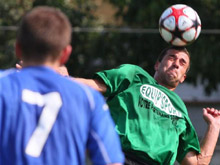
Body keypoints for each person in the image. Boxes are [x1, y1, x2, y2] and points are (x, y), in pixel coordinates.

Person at [0, 6, 124, 165]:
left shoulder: (3, 85)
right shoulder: (88, 99)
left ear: (18, 48)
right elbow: (111, 162)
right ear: (66, 53)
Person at [75, 46, 220, 165]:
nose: (176, 63)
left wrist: (214, 126)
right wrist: (63, 80)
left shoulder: (180, 109)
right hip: (118, 157)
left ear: (183, 78)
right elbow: (95, 86)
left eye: (182, 63)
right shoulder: (134, 75)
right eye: (171, 57)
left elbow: (196, 163)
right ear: (157, 64)